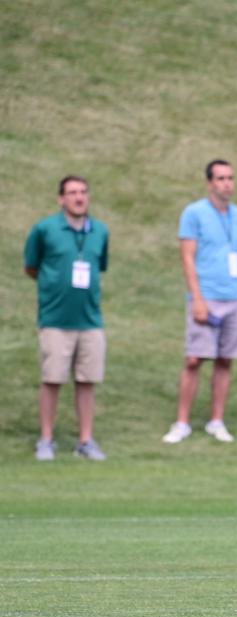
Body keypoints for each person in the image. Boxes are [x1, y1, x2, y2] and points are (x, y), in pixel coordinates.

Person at [162, 159, 237, 444]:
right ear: (209, 183)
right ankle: (182, 423)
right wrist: (197, 298)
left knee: (225, 360)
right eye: (220, 178)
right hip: (207, 296)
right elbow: (187, 257)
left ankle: (217, 421)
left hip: (235, 298)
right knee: (194, 359)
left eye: (230, 177)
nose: (227, 183)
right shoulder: (194, 213)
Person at [23, 176, 110, 461]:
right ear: (61, 199)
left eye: (84, 192)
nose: (79, 197)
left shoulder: (100, 231)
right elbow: (31, 267)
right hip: (55, 319)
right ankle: (46, 439)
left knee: (87, 381)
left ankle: (85, 441)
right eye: (72, 193)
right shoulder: (45, 229)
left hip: (90, 320)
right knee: (52, 379)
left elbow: (100, 266)